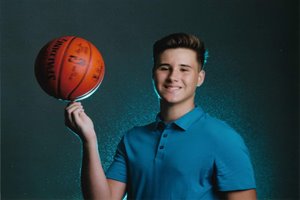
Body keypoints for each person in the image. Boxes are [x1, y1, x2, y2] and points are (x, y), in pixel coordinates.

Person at [65, 33, 257, 200]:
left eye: (184, 69)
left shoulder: (223, 138)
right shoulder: (133, 139)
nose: (173, 77)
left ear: (200, 78)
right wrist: (89, 140)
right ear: (153, 74)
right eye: (164, 67)